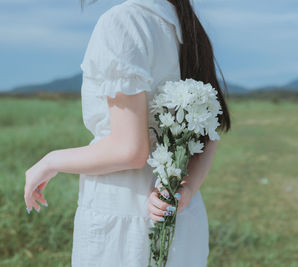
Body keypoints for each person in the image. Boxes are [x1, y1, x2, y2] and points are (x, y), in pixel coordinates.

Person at [23, 0, 231, 266]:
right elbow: (209, 132)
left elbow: (129, 151)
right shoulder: (188, 26)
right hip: (180, 214)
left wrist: (50, 161)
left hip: (122, 214)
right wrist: (184, 191)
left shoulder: (122, 23)